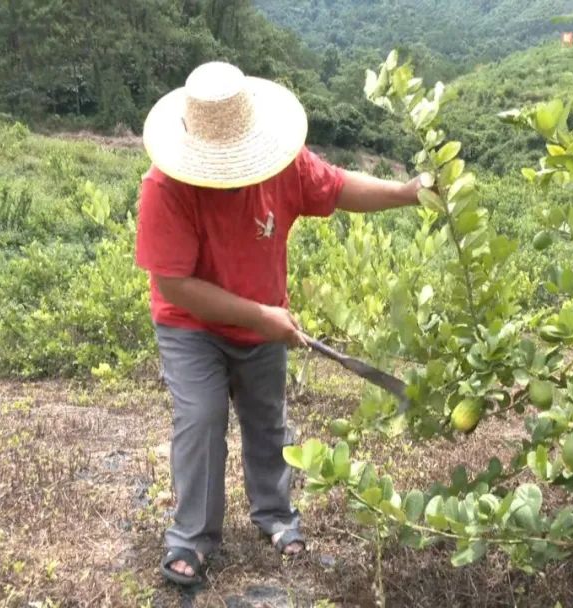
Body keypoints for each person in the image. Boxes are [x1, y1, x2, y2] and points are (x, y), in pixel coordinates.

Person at [135, 61, 421, 587]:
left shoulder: (279, 166)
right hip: (190, 325)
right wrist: (260, 316)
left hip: (261, 324)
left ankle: (276, 516)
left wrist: (407, 193)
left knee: (267, 419)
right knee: (201, 418)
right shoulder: (165, 187)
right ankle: (192, 538)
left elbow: (337, 188)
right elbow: (175, 284)